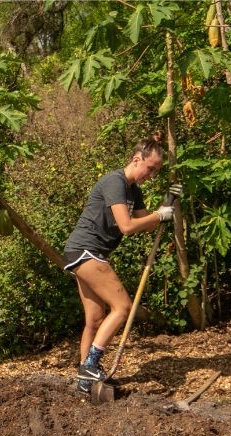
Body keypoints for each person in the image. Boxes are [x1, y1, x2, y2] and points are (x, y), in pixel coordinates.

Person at [61, 139, 178, 394]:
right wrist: (159, 217)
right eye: (150, 168)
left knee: (95, 318)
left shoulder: (134, 191)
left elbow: (143, 226)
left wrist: (164, 209)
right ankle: (90, 364)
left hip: (85, 252)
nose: (152, 175)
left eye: (156, 171)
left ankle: (85, 380)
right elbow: (126, 227)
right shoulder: (115, 182)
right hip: (86, 250)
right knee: (122, 307)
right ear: (136, 159)